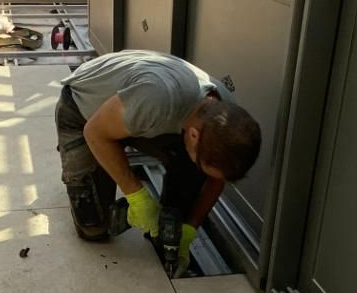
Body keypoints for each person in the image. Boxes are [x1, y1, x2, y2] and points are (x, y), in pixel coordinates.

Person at [55, 50, 262, 276]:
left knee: (193, 168)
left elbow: (215, 180)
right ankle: (93, 152)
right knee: (93, 228)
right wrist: (136, 195)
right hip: (84, 110)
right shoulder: (157, 100)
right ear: (193, 135)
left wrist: (190, 227)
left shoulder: (226, 115)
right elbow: (94, 131)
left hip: (137, 108)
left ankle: (168, 218)